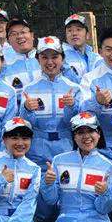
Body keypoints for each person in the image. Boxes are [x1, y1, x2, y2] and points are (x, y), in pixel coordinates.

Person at [41, 112, 112, 222]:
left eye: (91, 131)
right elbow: (51, 200)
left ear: (98, 134)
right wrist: (48, 184)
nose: (86, 136)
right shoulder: (59, 161)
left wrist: (104, 193)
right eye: (80, 132)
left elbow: (105, 209)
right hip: (67, 221)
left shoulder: (108, 165)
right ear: (74, 136)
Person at [20, 36, 80, 168]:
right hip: (37, 150)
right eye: (44, 57)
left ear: (62, 58)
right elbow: (25, 124)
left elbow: (76, 124)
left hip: (66, 148)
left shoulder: (74, 88)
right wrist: (27, 109)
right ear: (37, 59)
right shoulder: (28, 89)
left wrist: (72, 106)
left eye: (54, 57)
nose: (50, 62)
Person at [0, 17, 40, 90]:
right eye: (13, 34)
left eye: (23, 32)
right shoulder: (3, 66)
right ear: (8, 41)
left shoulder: (46, 59)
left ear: (32, 35)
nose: (19, 36)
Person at [62, 13, 103, 79]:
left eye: (78, 29)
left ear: (87, 35)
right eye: (69, 30)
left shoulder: (95, 58)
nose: (74, 33)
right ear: (66, 37)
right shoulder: (60, 57)